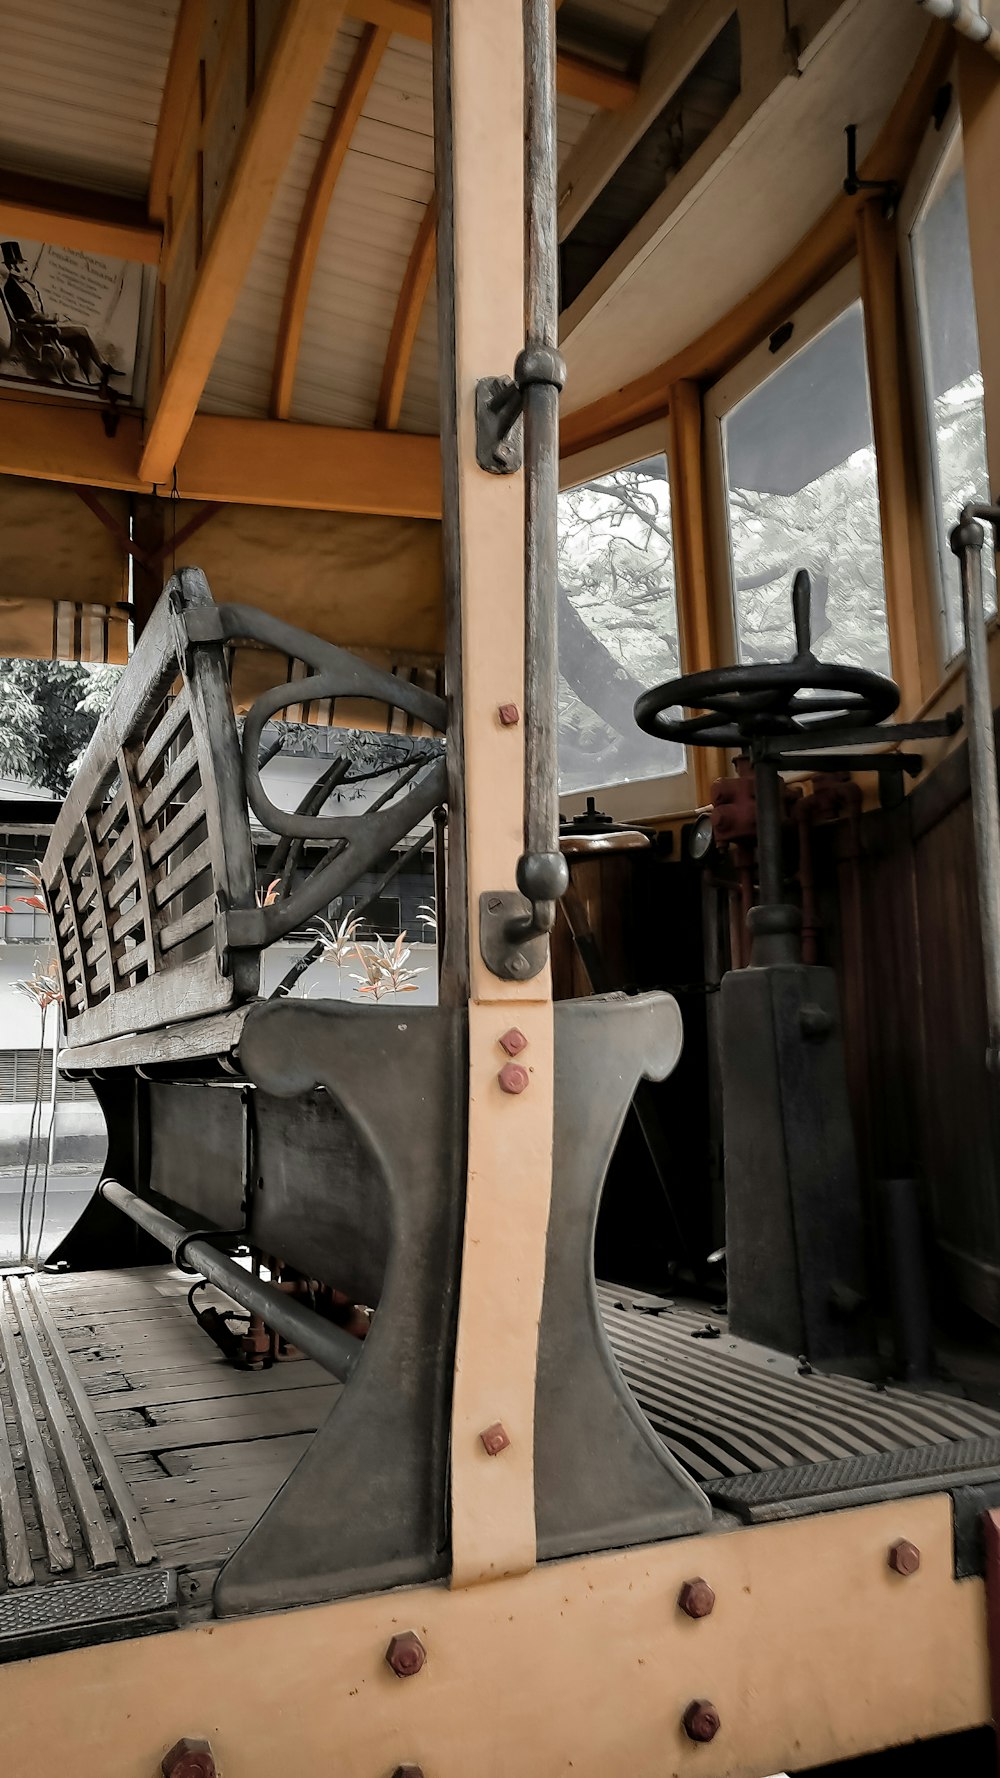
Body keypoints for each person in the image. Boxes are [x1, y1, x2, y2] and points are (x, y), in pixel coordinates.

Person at [0, 241, 120, 392]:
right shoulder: (11, 288)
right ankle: (103, 366)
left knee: (80, 340)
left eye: (21, 262)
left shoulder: (27, 284)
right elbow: (29, 315)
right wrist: (55, 318)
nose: (23, 266)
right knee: (82, 331)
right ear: (12, 267)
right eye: (18, 263)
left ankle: (89, 378)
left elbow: (37, 309)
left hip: (44, 325)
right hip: (33, 331)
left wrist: (53, 318)